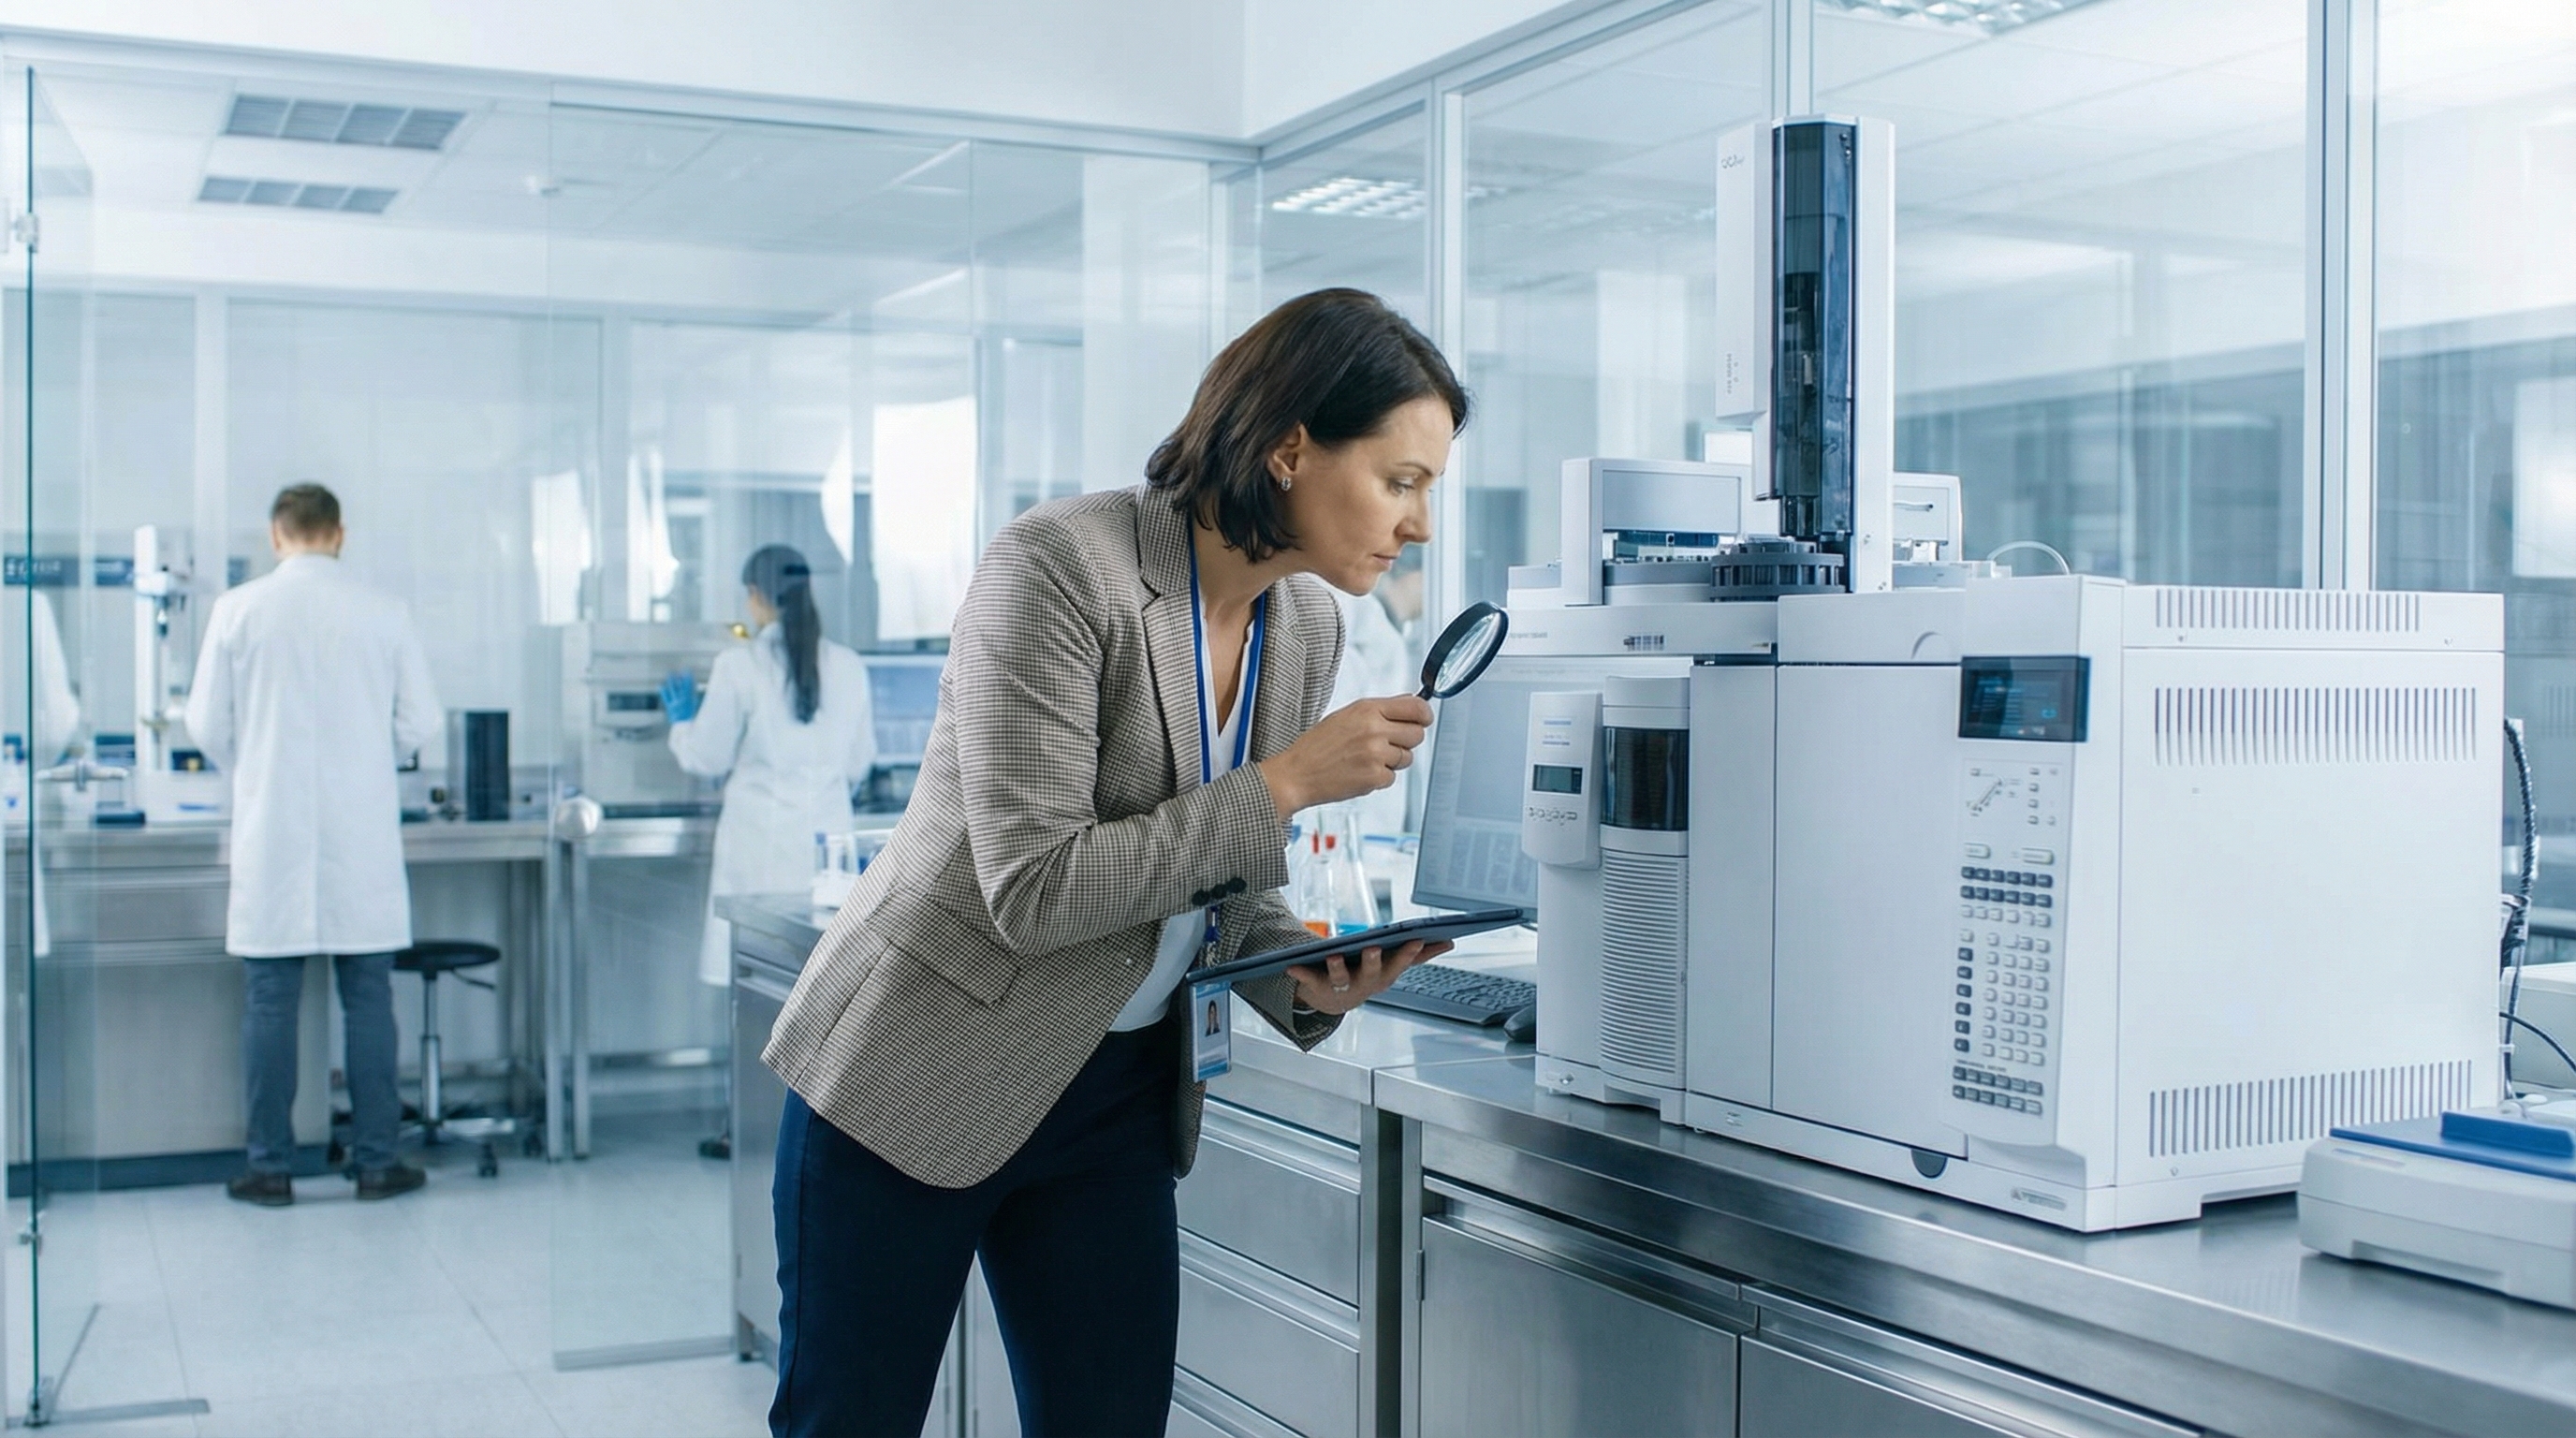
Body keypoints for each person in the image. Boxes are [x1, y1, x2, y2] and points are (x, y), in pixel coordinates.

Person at [763, 287, 1468, 1437]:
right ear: (1291, 449)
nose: (1420, 523)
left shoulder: (1305, 626)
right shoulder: (1058, 568)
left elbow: (1232, 891)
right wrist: (1287, 781)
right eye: (1401, 481)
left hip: (1112, 1099)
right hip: (917, 1066)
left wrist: (1297, 973)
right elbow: (1033, 889)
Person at [184, 483, 443, 1207]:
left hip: (273, 833)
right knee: (367, 1000)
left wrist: (259, 759)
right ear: (340, 534)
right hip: (359, 834)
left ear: (276, 536)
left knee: (270, 1002)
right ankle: (376, 1163)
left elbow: (205, 727)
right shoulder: (383, 612)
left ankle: (269, 1168)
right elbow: (421, 723)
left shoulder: (237, 611)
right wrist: (366, 754)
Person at [663, 544, 877, 990]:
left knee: (760, 986)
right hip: (826, 857)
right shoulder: (848, 666)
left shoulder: (739, 665)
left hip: (757, 851)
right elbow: (859, 762)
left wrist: (682, 724)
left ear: (756, 594)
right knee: (822, 985)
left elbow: (708, 757)